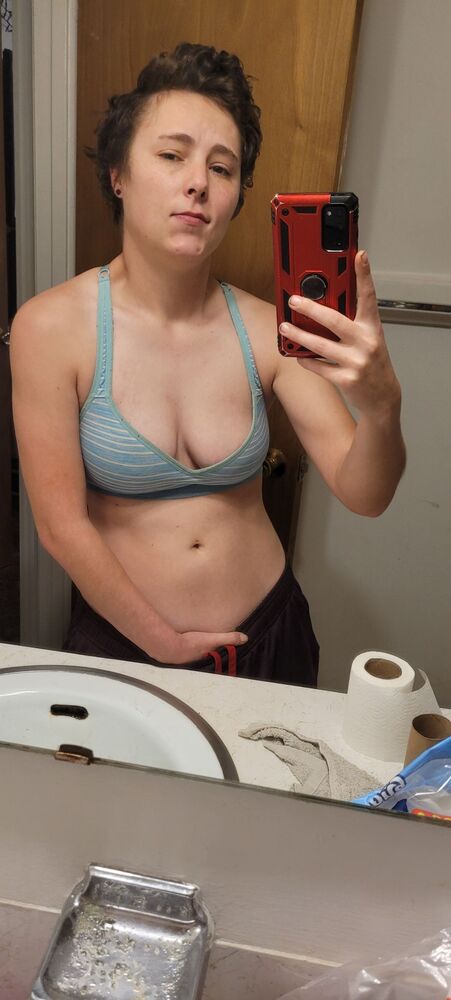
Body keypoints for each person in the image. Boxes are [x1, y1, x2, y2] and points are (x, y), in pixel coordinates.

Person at [10, 42, 405, 686]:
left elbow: (367, 495)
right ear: (118, 173)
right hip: (126, 644)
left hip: (270, 638)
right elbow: (60, 526)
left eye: (222, 168)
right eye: (172, 155)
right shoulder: (51, 328)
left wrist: (383, 408)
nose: (198, 181)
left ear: (235, 198)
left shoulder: (271, 330)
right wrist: (161, 642)